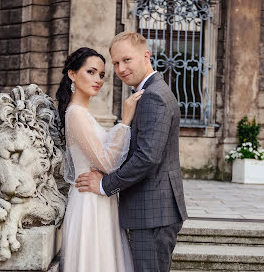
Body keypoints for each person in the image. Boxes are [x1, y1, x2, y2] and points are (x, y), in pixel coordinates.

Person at [75, 31, 188, 272]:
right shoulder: (146, 93)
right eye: (116, 63)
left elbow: (147, 158)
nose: (121, 68)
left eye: (127, 60)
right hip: (151, 211)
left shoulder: (154, 96)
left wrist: (105, 185)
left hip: (153, 212)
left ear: (146, 56)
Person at [56, 47, 142, 272]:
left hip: (100, 198)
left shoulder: (83, 113)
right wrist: (125, 121)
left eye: (102, 75)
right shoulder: (75, 113)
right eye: (91, 72)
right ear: (72, 74)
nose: (98, 80)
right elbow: (106, 163)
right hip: (89, 203)